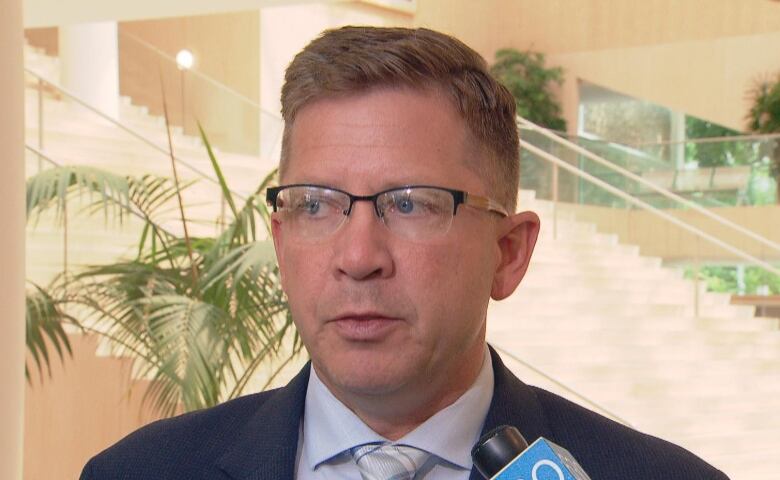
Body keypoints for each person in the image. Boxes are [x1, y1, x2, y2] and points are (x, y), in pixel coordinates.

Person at [80, 26, 729, 480]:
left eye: (412, 202)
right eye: (315, 204)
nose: (358, 256)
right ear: (279, 243)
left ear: (508, 253)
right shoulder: (137, 473)